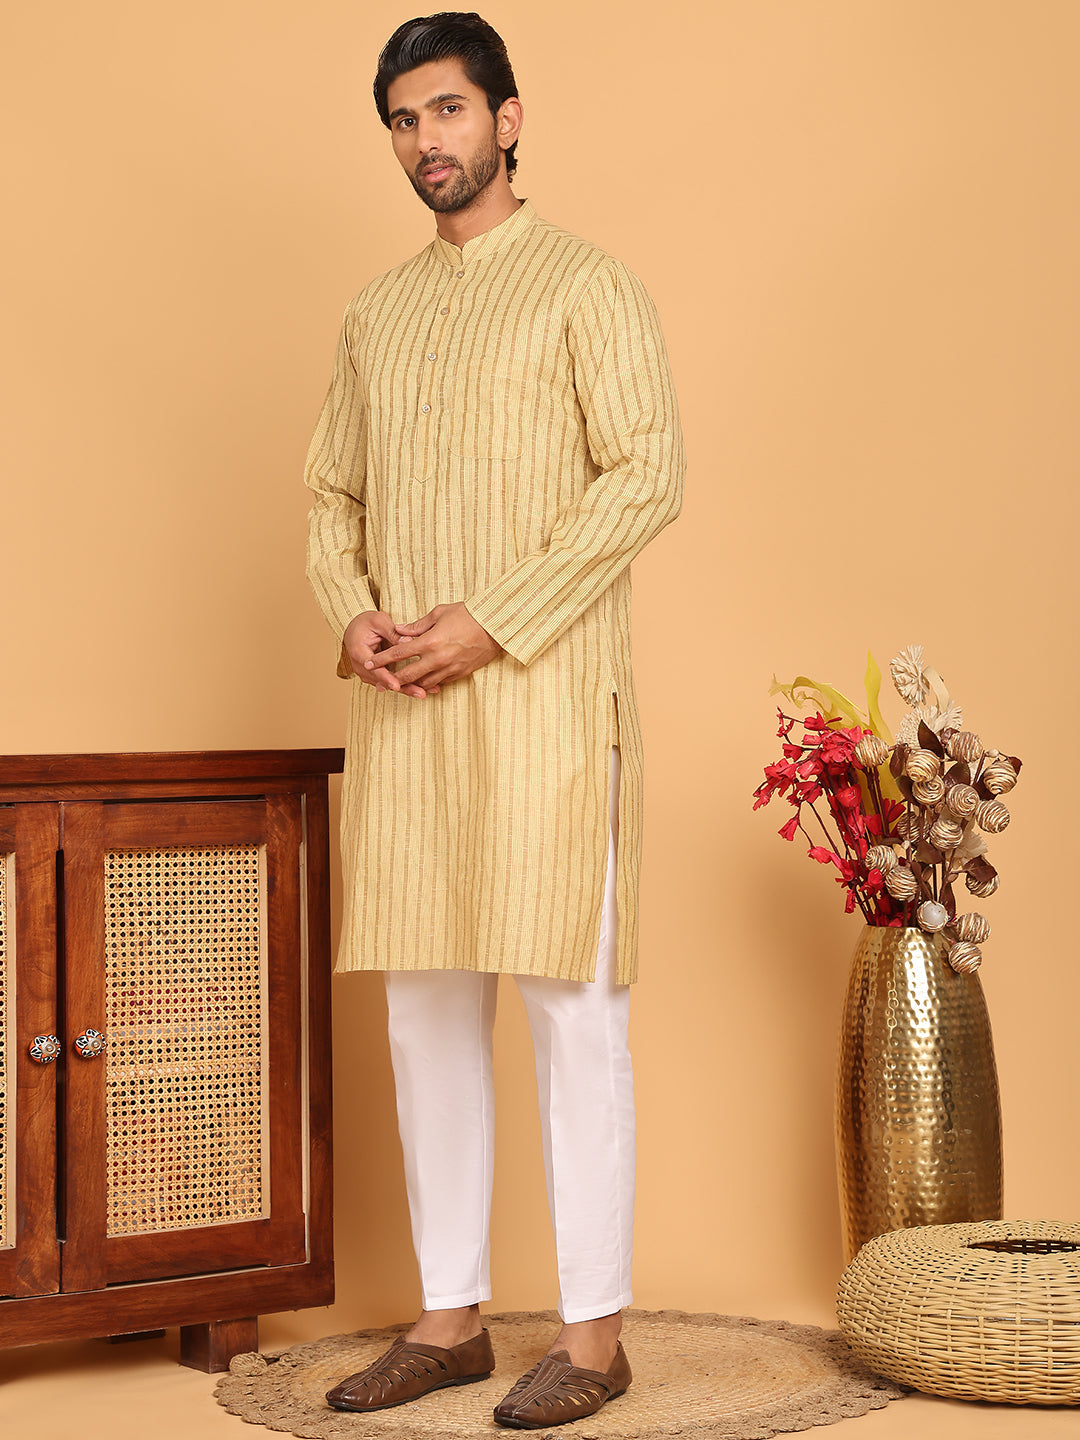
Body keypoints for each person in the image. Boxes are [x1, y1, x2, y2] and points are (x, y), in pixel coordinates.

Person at [304, 12, 684, 1429]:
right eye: (406, 121)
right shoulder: (376, 312)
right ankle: (449, 1320)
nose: (428, 141)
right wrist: (353, 612)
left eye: (450, 110)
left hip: (546, 709)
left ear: (508, 119)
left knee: (572, 1017)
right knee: (425, 1020)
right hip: (410, 714)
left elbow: (646, 475)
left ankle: (593, 1340)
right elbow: (330, 492)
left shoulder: (588, 285)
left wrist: (495, 620)